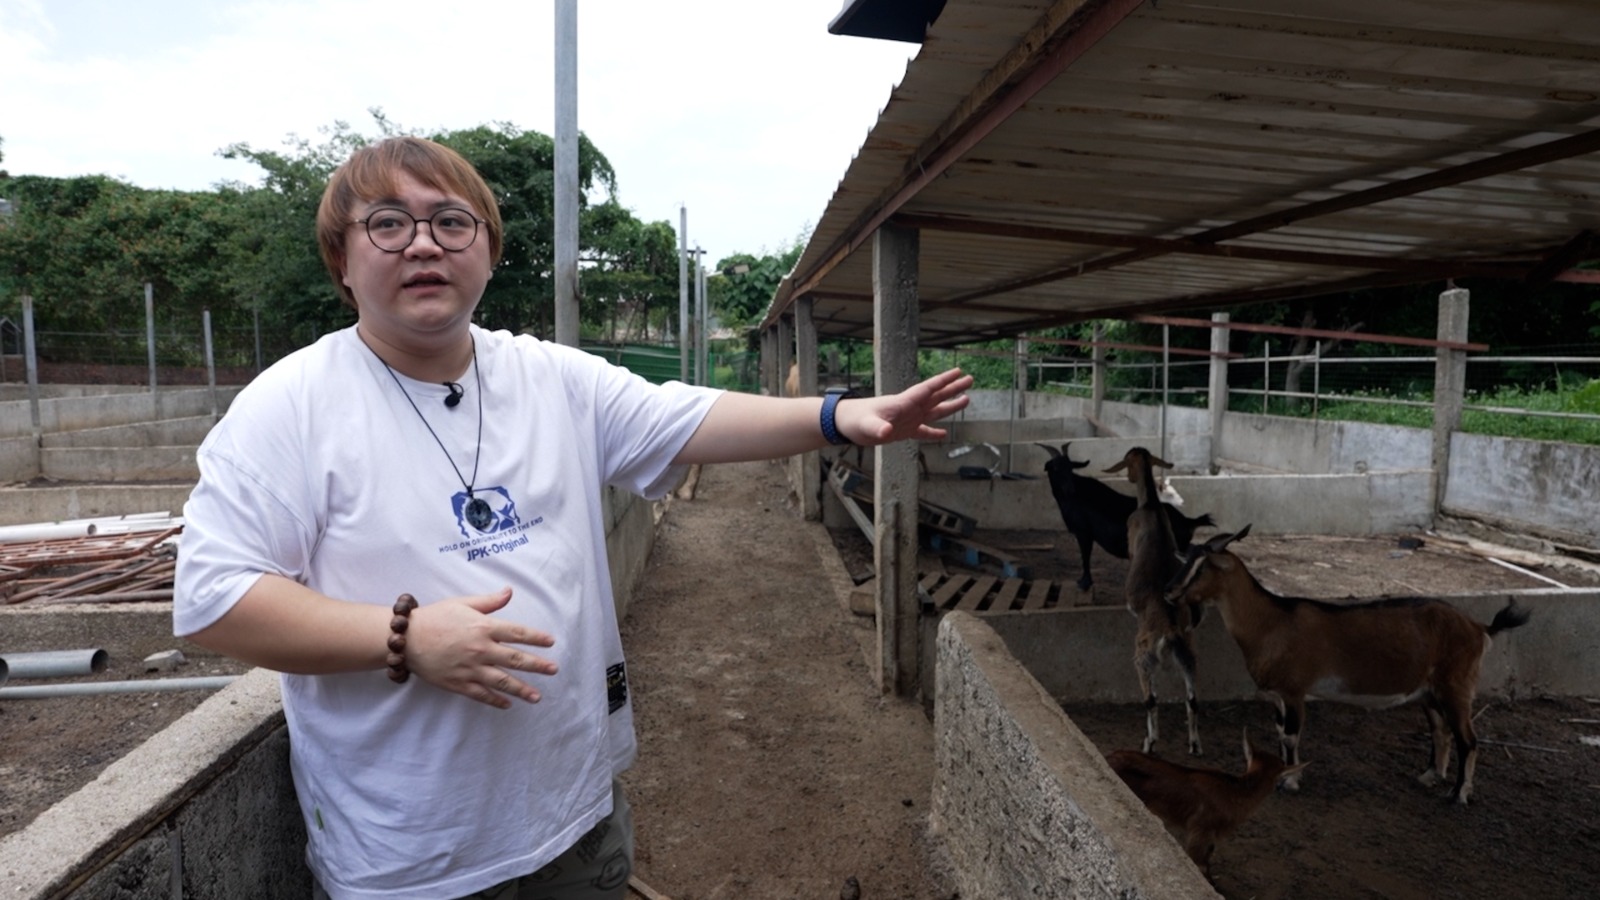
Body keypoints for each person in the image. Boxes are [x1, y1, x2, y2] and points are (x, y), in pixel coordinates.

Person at [173, 135, 972, 900]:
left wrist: (838, 416)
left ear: (488, 248)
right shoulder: (290, 406)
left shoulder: (546, 376)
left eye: (452, 222)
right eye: (388, 223)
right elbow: (214, 596)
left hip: (574, 818)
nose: (424, 244)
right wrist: (406, 637)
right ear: (342, 260)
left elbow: (683, 417)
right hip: (411, 854)